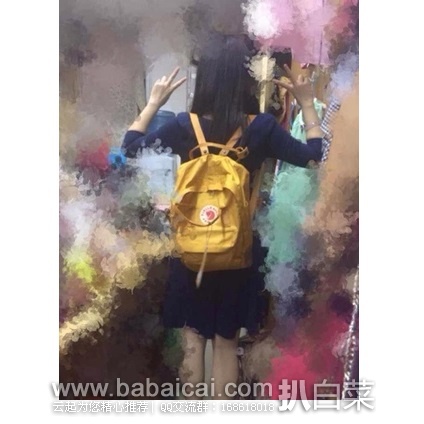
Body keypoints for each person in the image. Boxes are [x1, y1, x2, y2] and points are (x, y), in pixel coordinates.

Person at [121, 35, 323, 399]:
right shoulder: (262, 127)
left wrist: (153, 104)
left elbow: (130, 150)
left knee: (192, 342)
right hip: (237, 251)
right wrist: (307, 105)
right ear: (247, 79)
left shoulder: (184, 125)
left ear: (206, 79)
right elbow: (312, 156)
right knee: (226, 344)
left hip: (191, 250)